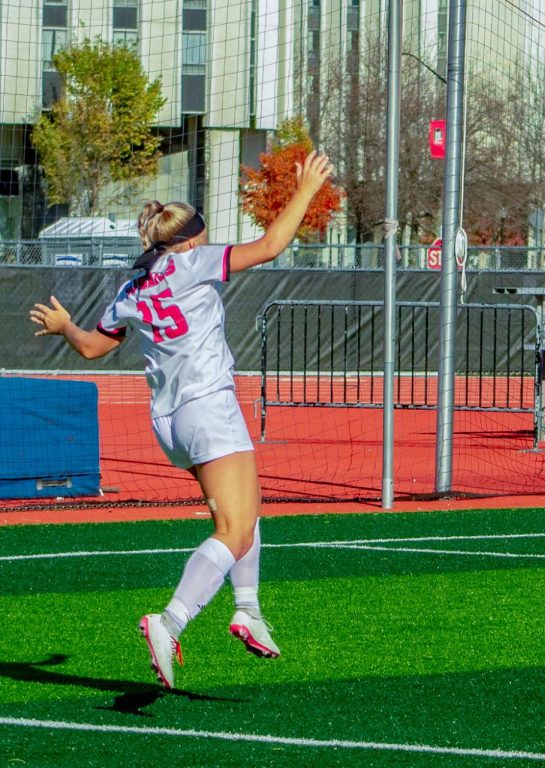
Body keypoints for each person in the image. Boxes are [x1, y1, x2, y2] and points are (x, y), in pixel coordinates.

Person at [29, 152, 335, 688]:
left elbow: (94, 349)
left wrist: (65, 327)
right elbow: (269, 246)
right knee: (235, 527)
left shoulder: (131, 288)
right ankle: (169, 622)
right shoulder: (190, 262)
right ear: (191, 239)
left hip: (168, 423)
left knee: (244, 512)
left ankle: (248, 609)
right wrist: (306, 189)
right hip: (208, 409)